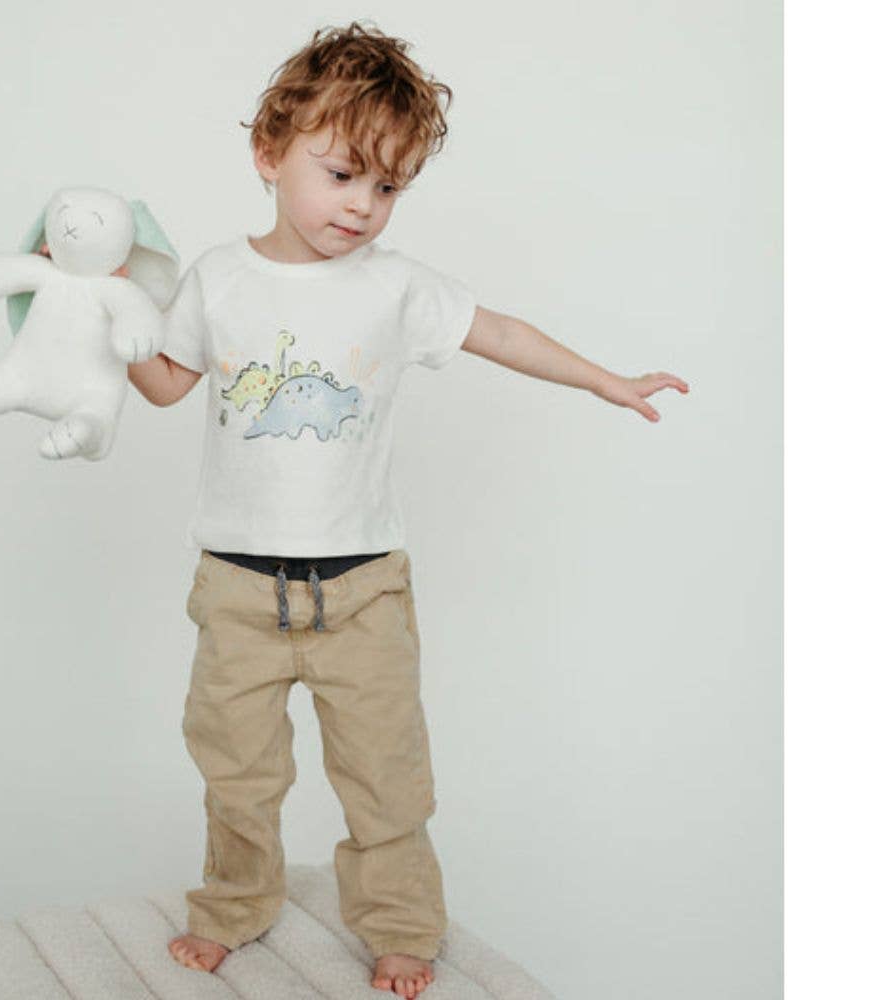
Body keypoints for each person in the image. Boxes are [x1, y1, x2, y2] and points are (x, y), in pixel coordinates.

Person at [128, 22, 688, 999]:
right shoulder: (218, 277)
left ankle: (398, 927)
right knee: (237, 778)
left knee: (387, 782)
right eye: (342, 174)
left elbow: (501, 330)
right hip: (236, 587)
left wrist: (603, 379)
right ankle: (232, 906)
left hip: (362, 589)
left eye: (387, 188)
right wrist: (108, 313)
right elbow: (166, 383)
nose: (362, 207)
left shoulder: (394, 288)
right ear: (269, 152)